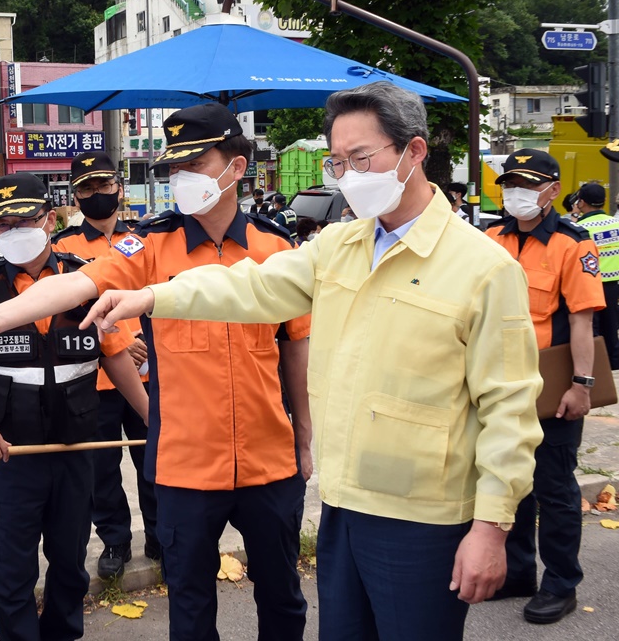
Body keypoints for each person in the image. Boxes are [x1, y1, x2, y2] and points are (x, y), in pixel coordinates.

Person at [56, 83, 543, 641]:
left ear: (413, 151)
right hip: (341, 501)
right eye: (338, 162)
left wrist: (491, 526)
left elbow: (509, 406)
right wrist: (149, 298)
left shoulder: (483, 267)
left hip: (423, 515)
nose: (349, 175)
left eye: (361, 158)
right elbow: (246, 288)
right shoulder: (339, 246)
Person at [0, 104, 313, 641]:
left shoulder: (279, 248)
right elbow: (80, 283)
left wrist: (305, 440)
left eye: (195, 165)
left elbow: (296, 350)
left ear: (237, 166)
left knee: (282, 599)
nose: (182, 180)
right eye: (174, 169)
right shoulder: (147, 244)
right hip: (184, 466)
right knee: (191, 608)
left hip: (270, 459)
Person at [0, 173, 147, 641]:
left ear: (49, 218)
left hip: (74, 453)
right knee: (12, 575)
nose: (13, 229)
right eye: (2, 224)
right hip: (7, 457)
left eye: (24, 218)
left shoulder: (87, 282)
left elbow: (117, 356)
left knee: (70, 567)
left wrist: (154, 417)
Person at [485, 150, 605, 624]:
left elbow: (582, 321)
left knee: (553, 488)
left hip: (549, 385)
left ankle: (561, 582)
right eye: (510, 182)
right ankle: (517, 573)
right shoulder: (491, 237)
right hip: (498, 385)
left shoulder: (573, 244)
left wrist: (582, 384)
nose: (516, 192)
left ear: (553, 191)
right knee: (508, 484)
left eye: (528, 184)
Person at [52, 151, 158, 579]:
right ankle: (115, 540)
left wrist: (146, 339)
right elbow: (63, 315)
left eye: (104, 185)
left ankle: (160, 536)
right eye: (87, 188)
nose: (97, 195)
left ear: (120, 187)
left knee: (155, 459)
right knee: (101, 470)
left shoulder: (146, 238)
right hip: (92, 380)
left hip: (149, 375)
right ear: (75, 196)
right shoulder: (62, 247)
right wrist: (114, 340)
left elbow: (161, 295)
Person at [573, 182, 619, 369]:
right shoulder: (616, 224)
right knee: (612, 326)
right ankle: (614, 364)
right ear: (604, 201)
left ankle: (596, 366)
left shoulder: (580, 228)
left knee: (590, 328)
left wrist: (575, 216)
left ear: (581, 202)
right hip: (614, 285)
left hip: (590, 284)